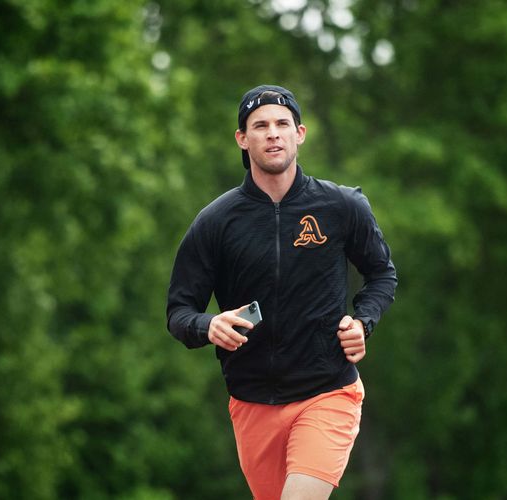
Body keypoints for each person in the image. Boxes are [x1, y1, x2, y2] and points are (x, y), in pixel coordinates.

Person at [166, 85, 397, 500]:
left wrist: (363, 321)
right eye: (260, 126)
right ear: (242, 139)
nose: (273, 133)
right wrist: (208, 325)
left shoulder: (342, 207)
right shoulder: (215, 223)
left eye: (281, 124)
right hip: (252, 402)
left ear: (300, 133)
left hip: (328, 391)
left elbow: (382, 275)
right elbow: (179, 311)